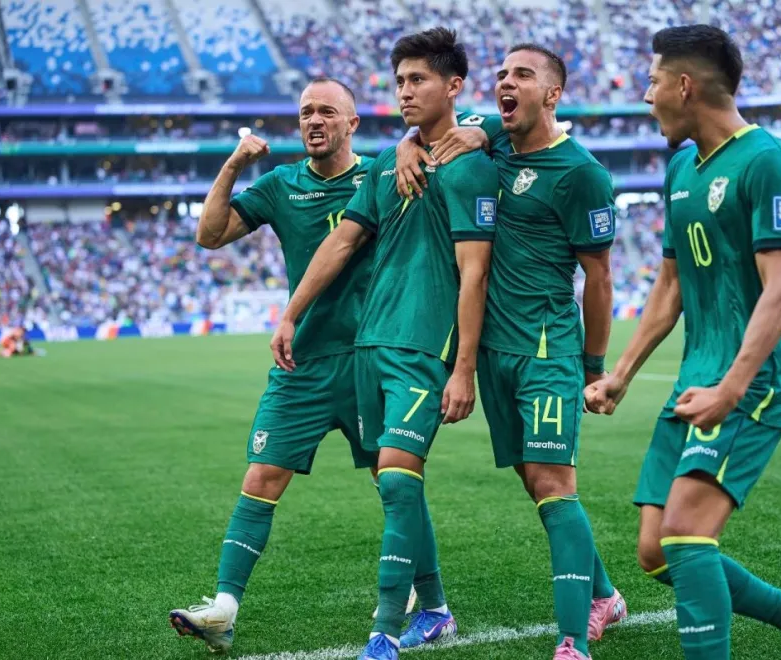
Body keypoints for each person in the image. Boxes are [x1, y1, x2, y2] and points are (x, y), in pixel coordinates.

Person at [584, 25, 781, 660]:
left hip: (752, 379)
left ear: (685, 86)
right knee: (657, 552)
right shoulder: (681, 165)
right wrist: (624, 370)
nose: (647, 97)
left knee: (685, 536)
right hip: (696, 375)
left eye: (653, 82)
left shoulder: (766, 161)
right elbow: (671, 281)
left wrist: (731, 390)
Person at [268, 28, 497, 660]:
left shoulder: (474, 165)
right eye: (398, 81)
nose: (404, 92)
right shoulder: (387, 167)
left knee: (396, 481)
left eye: (417, 79)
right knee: (396, 481)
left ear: (452, 86)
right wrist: (291, 314)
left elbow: (473, 271)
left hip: (425, 350)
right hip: (371, 347)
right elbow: (339, 243)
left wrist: (465, 368)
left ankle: (385, 631)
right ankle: (438, 610)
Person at [396, 43, 627, 660]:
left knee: (555, 481)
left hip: (547, 347)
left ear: (552, 94)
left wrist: (595, 368)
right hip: (493, 349)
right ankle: (604, 594)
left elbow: (599, 279)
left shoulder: (581, 174)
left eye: (522, 74)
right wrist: (405, 146)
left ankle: (573, 641)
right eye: (501, 74)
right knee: (536, 482)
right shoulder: (489, 139)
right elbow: (434, 131)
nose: (505, 82)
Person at [168, 78, 379, 654]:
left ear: (352, 123)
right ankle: (224, 609)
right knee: (261, 477)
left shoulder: (381, 175)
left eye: (327, 111)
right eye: (306, 111)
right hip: (301, 363)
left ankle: (428, 600)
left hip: (369, 359)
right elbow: (209, 235)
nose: (314, 120)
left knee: (397, 482)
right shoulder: (282, 185)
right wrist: (234, 163)